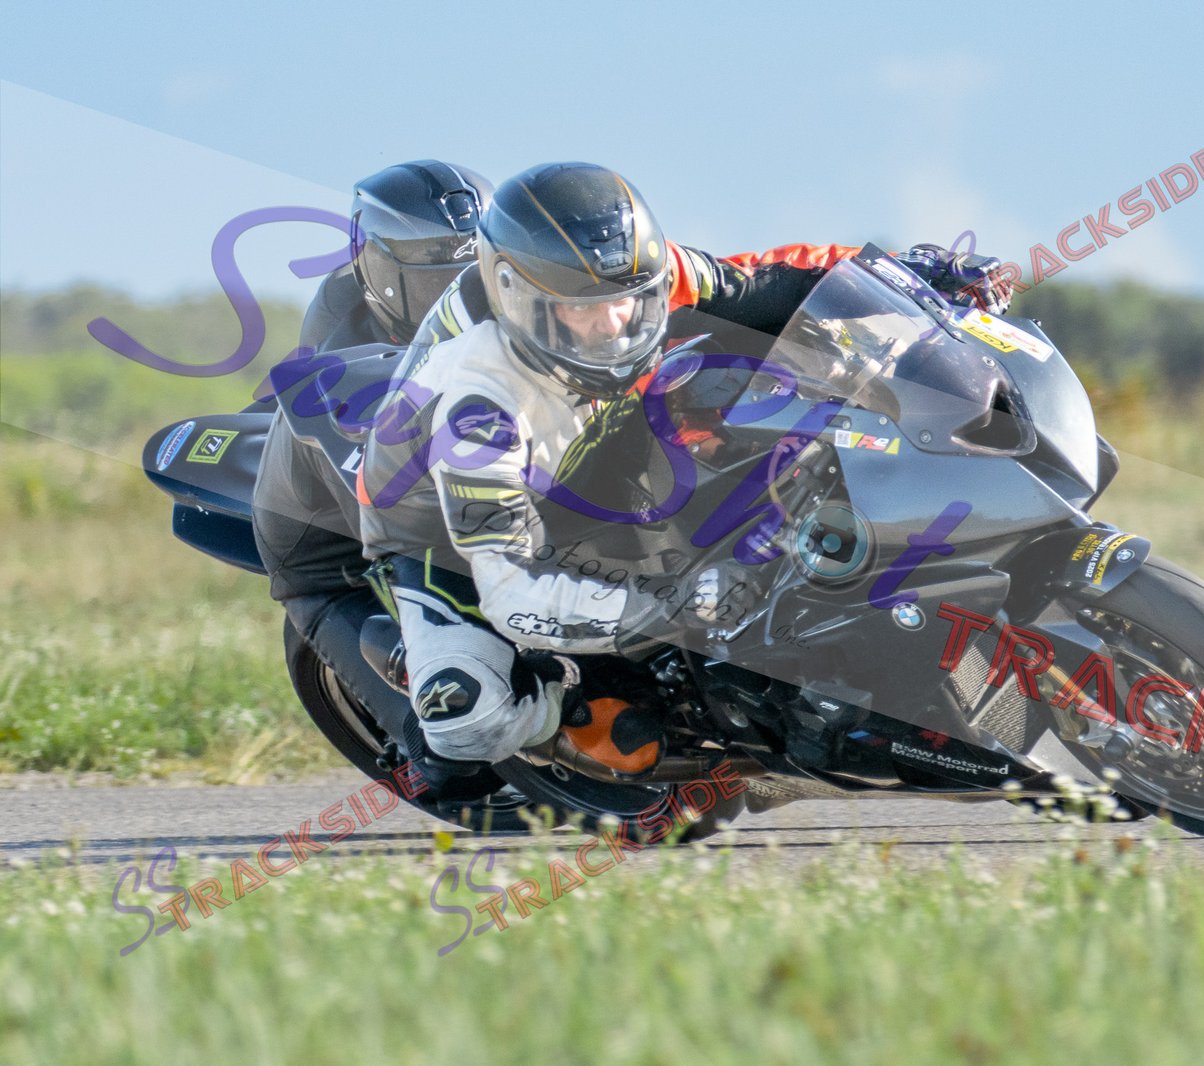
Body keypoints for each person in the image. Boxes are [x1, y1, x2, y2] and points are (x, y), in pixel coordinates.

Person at [356, 161, 1013, 783]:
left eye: (628, 298)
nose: (613, 324)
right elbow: (511, 590)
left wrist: (909, 275)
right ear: (522, 301)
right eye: (583, 308)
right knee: (471, 723)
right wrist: (672, 608)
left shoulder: (628, 272)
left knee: (744, 362)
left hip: (588, 438)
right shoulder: (477, 411)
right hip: (447, 535)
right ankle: (559, 710)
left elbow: (762, 281)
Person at [252, 160, 497, 798]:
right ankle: (423, 736)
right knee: (322, 581)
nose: (461, 292)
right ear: (380, 269)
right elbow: (371, 478)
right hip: (317, 500)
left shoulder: (508, 297)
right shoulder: (340, 322)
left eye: (476, 267)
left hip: (428, 437)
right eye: (437, 272)